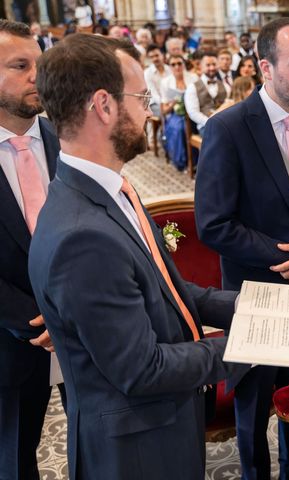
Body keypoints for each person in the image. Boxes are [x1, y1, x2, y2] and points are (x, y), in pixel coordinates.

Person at [29, 33, 239, 480]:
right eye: (142, 97)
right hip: (138, 450)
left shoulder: (110, 189)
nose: (150, 109)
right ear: (104, 106)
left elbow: (166, 292)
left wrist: (250, 306)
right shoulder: (81, 237)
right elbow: (143, 370)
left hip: (163, 424)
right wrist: (246, 345)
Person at [194, 17, 289, 480]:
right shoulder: (229, 129)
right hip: (256, 295)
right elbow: (214, 224)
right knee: (253, 412)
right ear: (265, 66)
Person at [0, 20, 62, 480]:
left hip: (83, 327)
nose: (36, 77)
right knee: (15, 457)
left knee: (94, 438)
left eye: (39, 65)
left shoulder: (66, 138)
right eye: (20, 66)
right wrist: (29, 319)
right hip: (14, 337)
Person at [161, 54, 198, 170]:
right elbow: (164, 110)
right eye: (173, 64)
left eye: (179, 63)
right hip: (176, 113)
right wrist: (173, 103)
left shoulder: (193, 78)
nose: (177, 67)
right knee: (179, 128)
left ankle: (197, 159)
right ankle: (182, 160)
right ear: (170, 67)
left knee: (195, 125)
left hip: (194, 110)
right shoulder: (165, 82)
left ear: (184, 64)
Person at [184, 52, 227, 133]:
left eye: (214, 64)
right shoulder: (192, 87)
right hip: (205, 126)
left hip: (225, 124)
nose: (212, 68)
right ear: (201, 66)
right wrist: (210, 122)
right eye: (208, 65)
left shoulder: (225, 85)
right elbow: (193, 113)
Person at [143, 43, 172, 117]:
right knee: (168, 114)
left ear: (162, 55)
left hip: (171, 101)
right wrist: (166, 104)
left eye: (157, 55)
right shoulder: (147, 73)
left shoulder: (170, 69)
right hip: (154, 104)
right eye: (152, 57)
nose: (155, 59)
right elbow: (154, 94)